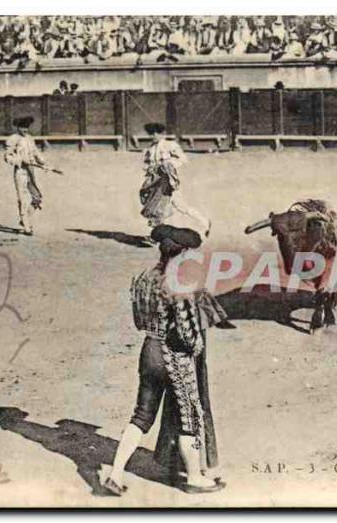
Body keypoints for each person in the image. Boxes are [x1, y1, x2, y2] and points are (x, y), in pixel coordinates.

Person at [105, 224, 228, 495]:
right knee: (190, 416)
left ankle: (114, 472)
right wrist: (195, 346)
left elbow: (139, 319)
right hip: (173, 355)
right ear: (182, 253)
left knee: (142, 414)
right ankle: (195, 477)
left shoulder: (145, 278)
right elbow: (186, 330)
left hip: (149, 348)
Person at [139, 123, 211, 235]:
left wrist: (169, 164)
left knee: (164, 206)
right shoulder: (151, 149)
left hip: (168, 181)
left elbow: (183, 159)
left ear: (161, 134)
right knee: (166, 206)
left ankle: (204, 222)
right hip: (157, 183)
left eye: (155, 133)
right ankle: (204, 221)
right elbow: (146, 165)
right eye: (151, 134)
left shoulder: (170, 145)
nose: (152, 136)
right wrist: (150, 169)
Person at [3, 116, 49, 235]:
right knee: (22, 198)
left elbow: (35, 153)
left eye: (26, 127)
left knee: (37, 197)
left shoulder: (30, 139)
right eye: (23, 127)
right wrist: (19, 160)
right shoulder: (13, 139)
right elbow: (7, 156)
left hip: (31, 170)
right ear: (18, 127)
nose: (25, 130)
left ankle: (25, 220)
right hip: (20, 171)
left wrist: (43, 163)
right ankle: (26, 225)